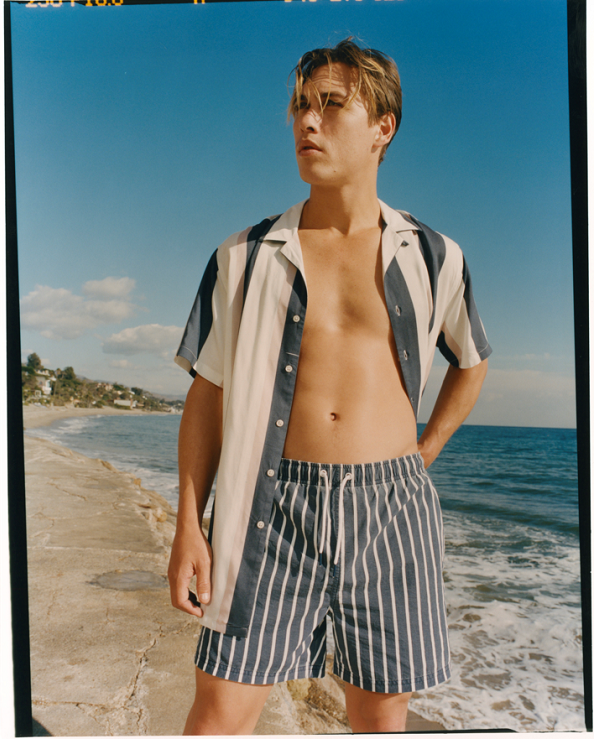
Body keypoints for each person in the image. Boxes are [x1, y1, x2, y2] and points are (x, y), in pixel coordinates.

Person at [169, 38, 491, 735]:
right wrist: (187, 523)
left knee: (380, 717)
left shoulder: (436, 255)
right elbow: (208, 394)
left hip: (391, 510)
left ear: (383, 126)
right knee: (220, 709)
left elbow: (472, 359)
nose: (306, 123)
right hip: (270, 509)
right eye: (299, 107)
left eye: (331, 105)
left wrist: (424, 449)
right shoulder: (243, 257)